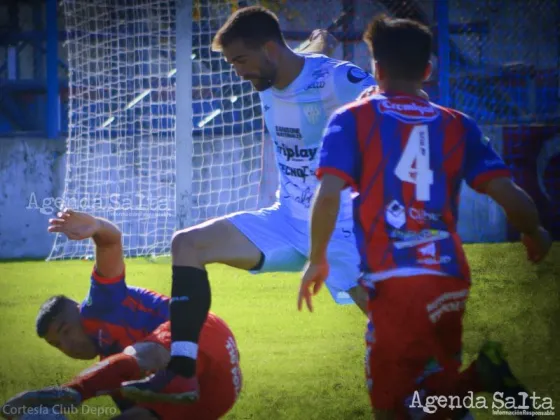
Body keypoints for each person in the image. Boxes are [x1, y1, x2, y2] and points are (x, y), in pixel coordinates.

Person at [299, 14, 552, 420]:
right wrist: (534, 231)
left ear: (375, 70)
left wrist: (317, 258)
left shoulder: (352, 118)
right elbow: (507, 191)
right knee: (434, 388)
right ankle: (473, 383)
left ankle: (482, 376)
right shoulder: (456, 123)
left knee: (391, 407)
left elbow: (328, 194)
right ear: (428, 71)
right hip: (449, 277)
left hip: (395, 280)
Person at [121, 5, 375, 402]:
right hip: (285, 220)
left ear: (271, 49)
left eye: (240, 59)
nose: (237, 70)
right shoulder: (273, 73)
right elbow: (302, 58)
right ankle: (183, 374)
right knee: (187, 244)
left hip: (337, 223)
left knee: (389, 327)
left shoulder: (337, 79)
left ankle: (455, 387)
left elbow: (400, 99)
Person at [1, 210, 242, 420]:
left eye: (66, 331)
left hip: (198, 331)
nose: (67, 345)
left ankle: (71, 392)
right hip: (217, 392)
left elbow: (110, 242)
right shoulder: (109, 369)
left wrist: (97, 226)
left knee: (137, 356)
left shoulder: (98, 305)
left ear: (78, 311)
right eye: (57, 344)